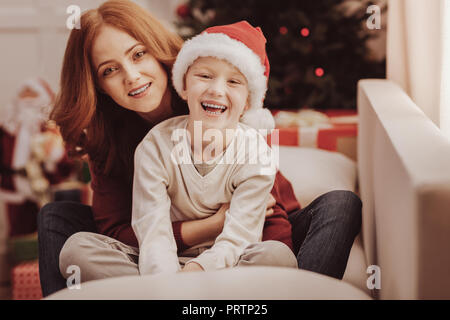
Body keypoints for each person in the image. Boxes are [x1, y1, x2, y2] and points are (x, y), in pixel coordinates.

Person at [38, 0, 361, 297]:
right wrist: (207, 228)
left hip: (249, 235)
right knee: (57, 217)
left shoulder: (210, 90)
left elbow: (265, 209)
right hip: (153, 253)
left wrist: (229, 234)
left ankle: (292, 294)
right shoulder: (109, 136)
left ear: (157, 49)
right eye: (109, 70)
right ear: (98, 85)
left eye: (138, 54)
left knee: (340, 205)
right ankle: (182, 292)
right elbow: (118, 230)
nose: (132, 76)